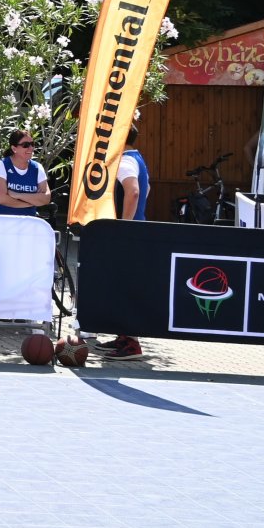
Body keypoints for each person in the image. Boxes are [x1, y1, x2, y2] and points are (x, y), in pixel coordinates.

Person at [91, 126, 154, 362]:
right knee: (122, 285)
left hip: (129, 235)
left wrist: (124, 225)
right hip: (136, 232)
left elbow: (135, 192)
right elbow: (147, 189)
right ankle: (124, 337)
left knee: (125, 287)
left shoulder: (125, 161)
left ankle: (131, 344)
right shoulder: (136, 158)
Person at [0, 129, 51, 217]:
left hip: (27, 224)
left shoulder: (37, 168)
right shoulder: (1, 165)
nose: (31, 148)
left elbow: (45, 198)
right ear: (14, 148)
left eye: (32, 144)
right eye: (25, 145)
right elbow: (1, 198)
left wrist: (17, 195)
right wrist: (29, 203)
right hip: (1, 222)